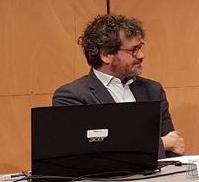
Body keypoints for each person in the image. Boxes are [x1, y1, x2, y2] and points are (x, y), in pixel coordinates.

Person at [53, 14, 185, 157]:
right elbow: (88, 154)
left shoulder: (152, 90)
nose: (141, 55)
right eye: (132, 50)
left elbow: (174, 148)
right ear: (106, 55)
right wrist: (161, 144)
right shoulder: (73, 96)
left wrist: (166, 145)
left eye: (140, 47)